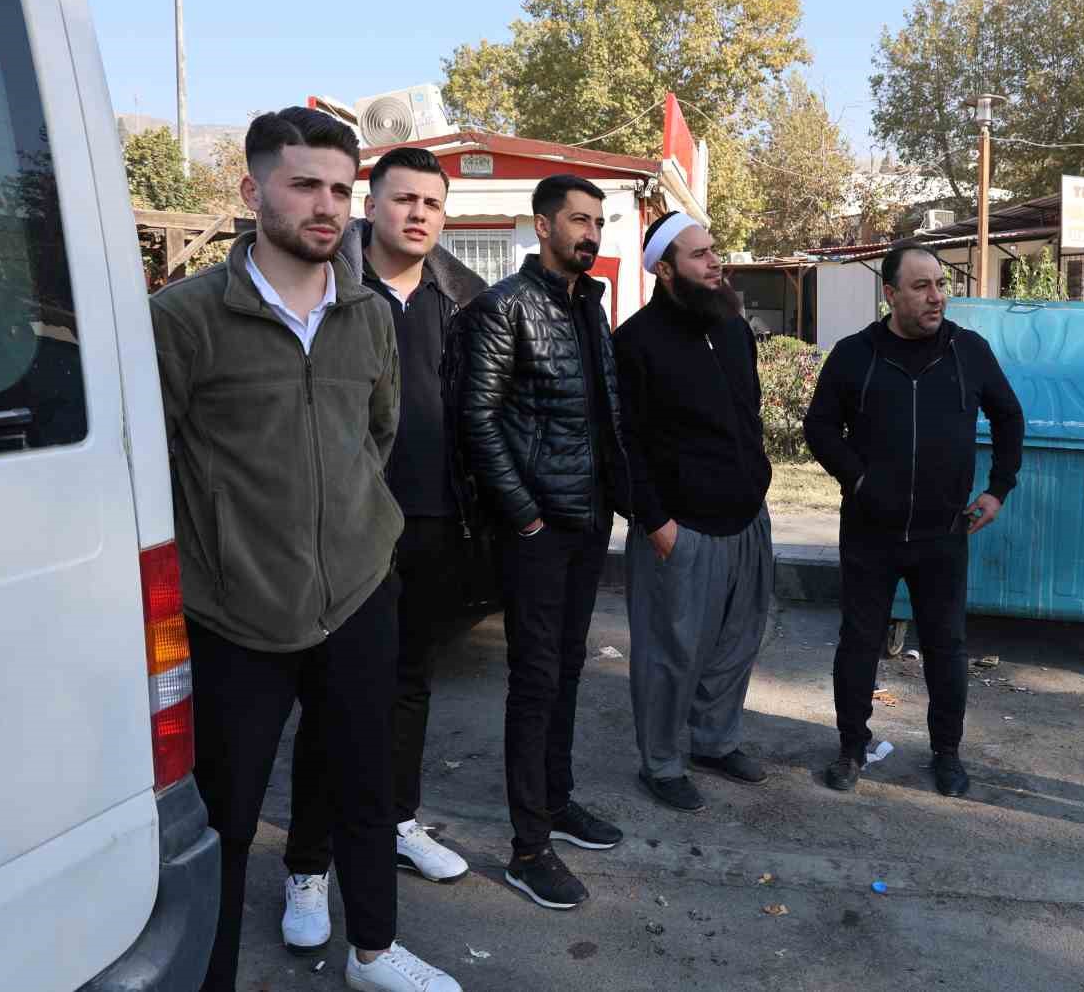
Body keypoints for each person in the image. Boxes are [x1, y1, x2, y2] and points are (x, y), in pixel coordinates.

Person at [150, 108, 460, 991]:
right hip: (235, 613)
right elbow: (153, 462)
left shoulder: (366, 315)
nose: (327, 206)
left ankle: (373, 953)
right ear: (253, 191)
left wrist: (363, 542)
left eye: (339, 189)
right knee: (227, 819)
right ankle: (209, 977)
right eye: (304, 185)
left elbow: (376, 436)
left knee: (364, 787)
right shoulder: (185, 318)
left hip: (358, 596)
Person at [280, 147, 488, 953]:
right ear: (371, 205)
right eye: (403, 199)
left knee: (409, 686)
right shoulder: (329, 285)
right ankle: (307, 864)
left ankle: (398, 820)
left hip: (433, 524)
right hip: (343, 530)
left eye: (432, 203)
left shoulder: (460, 299)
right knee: (332, 703)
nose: (418, 214)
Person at [447, 174, 627, 910]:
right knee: (535, 680)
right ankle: (528, 849)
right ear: (543, 226)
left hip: (587, 521)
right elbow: (477, 420)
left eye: (598, 222)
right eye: (579, 220)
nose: (591, 233)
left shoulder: (590, 305)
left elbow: (602, 416)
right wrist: (523, 514)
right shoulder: (506, 307)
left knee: (569, 668)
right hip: (538, 531)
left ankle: (557, 800)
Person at [803, 240, 1025, 797]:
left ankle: (947, 754)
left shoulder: (967, 351)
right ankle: (851, 748)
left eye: (941, 285)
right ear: (890, 293)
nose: (936, 297)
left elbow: (1008, 416)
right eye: (921, 286)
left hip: (943, 533)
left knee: (947, 647)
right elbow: (820, 427)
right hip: (869, 533)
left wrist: (998, 489)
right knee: (859, 643)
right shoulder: (855, 354)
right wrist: (858, 479)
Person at [614, 212, 774, 813]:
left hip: (746, 517)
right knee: (669, 656)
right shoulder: (635, 342)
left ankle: (714, 742)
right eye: (700, 255)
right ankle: (660, 764)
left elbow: (749, 415)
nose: (715, 263)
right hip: (679, 529)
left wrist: (758, 484)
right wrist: (655, 521)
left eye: (714, 251)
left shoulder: (731, 328)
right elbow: (624, 442)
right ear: (664, 269)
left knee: (737, 644)